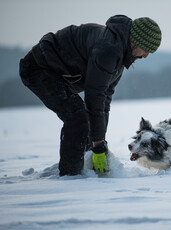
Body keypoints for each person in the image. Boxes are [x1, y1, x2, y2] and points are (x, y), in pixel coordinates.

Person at [19, 15, 162, 176]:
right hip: (39, 67)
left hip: (57, 74)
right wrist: (98, 147)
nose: (146, 56)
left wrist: (99, 142)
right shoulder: (109, 49)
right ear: (136, 41)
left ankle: (84, 167)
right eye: (146, 49)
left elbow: (104, 101)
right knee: (78, 118)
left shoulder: (119, 56)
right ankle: (71, 177)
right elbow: (94, 98)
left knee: (87, 122)